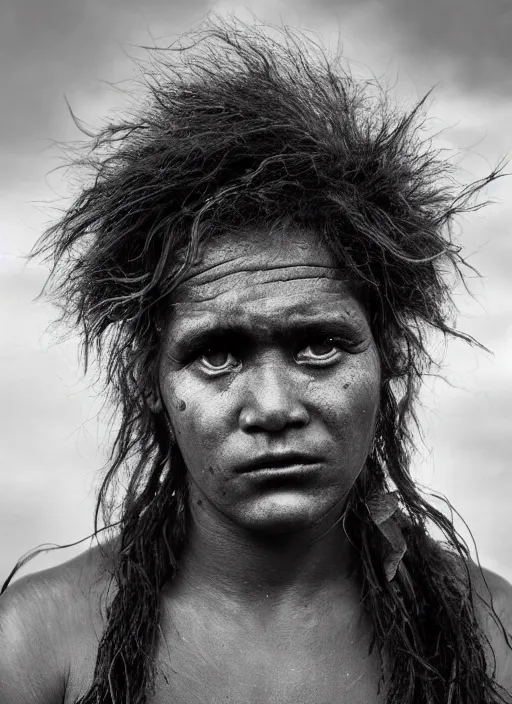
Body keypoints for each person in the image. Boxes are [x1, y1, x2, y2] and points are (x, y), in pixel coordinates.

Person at [0, 13, 511, 704]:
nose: (272, 406)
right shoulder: (37, 646)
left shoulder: (492, 638)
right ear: (151, 378)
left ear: (388, 357)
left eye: (320, 345)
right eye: (216, 354)